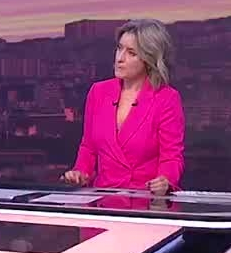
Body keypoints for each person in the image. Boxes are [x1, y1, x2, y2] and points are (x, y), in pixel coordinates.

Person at [61, 18, 184, 196]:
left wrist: (165, 180)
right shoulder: (98, 92)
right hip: (104, 200)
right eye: (119, 48)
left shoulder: (166, 98)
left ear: (149, 59)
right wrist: (80, 173)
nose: (120, 58)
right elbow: (88, 147)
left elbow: (171, 156)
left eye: (131, 53)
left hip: (146, 201)